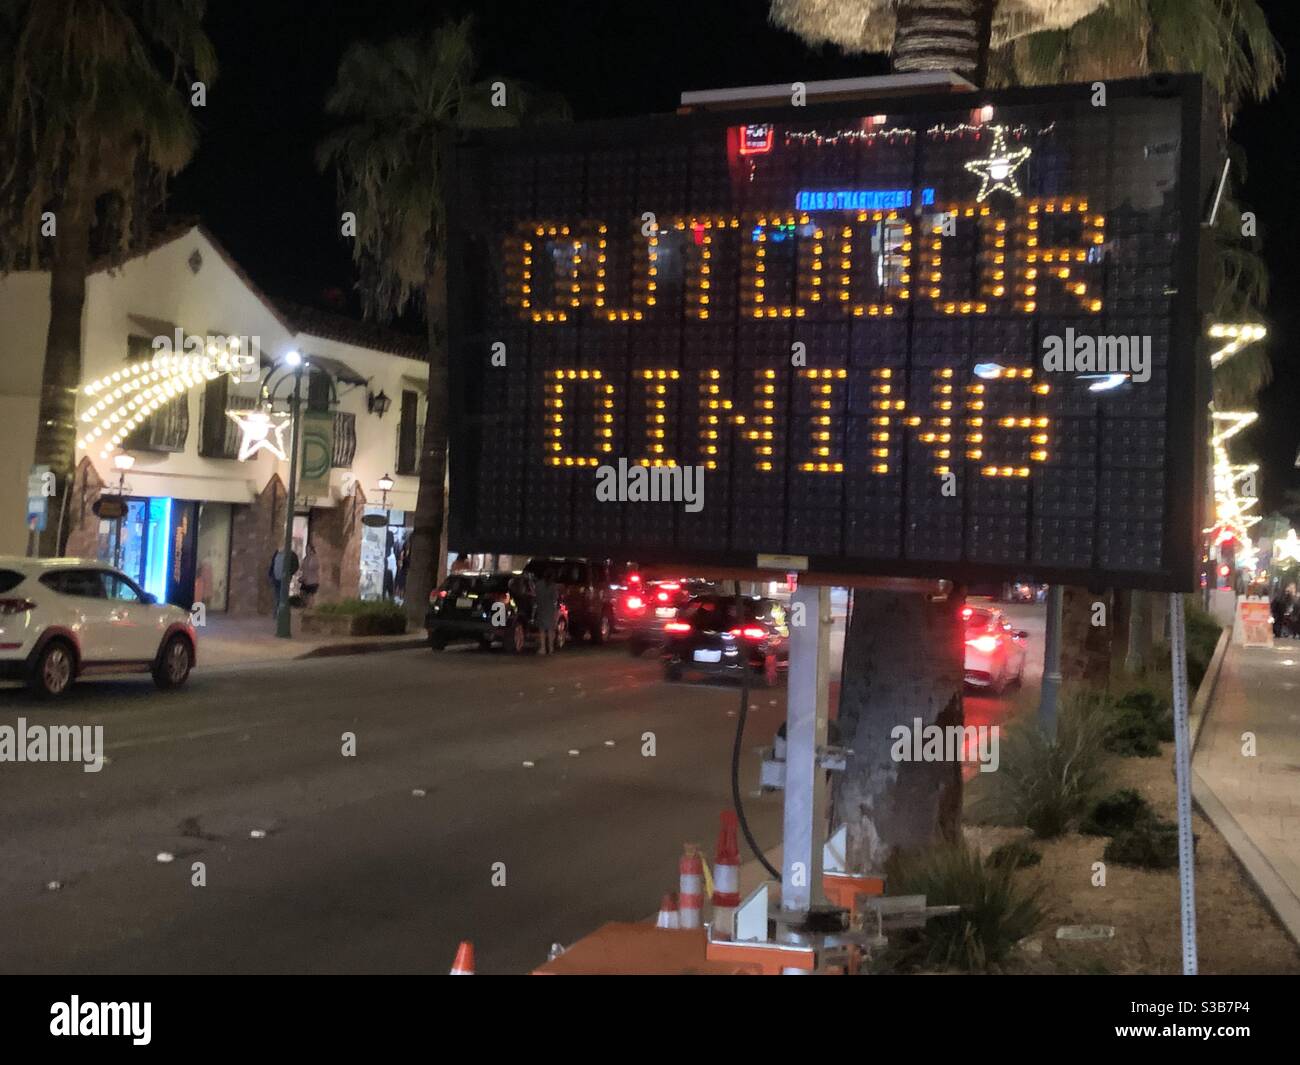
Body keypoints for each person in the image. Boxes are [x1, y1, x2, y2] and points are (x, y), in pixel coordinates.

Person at [533, 573, 559, 655]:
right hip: (550, 609)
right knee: (551, 629)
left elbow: (535, 596)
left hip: (541, 608)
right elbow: (555, 598)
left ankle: (543, 648)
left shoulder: (538, 585)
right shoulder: (553, 586)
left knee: (542, 630)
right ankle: (551, 648)